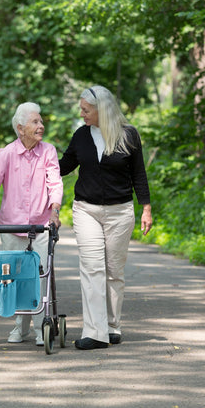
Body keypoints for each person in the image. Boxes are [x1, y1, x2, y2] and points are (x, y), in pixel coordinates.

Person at [59, 85, 152, 350]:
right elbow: (63, 167)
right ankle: (95, 332)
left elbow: (139, 174)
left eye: (86, 110)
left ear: (102, 109)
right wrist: (37, 159)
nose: (82, 113)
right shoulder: (81, 135)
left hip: (120, 212)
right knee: (92, 268)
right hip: (86, 210)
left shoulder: (128, 135)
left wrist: (146, 208)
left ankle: (112, 326)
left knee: (113, 272)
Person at [0, 102, 63, 346]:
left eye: (41, 121)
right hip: (11, 227)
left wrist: (55, 210)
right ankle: (19, 328)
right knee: (12, 277)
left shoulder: (48, 151)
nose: (41, 126)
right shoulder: (6, 154)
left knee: (38, 276)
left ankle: (40, 328)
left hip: (41, 226)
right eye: (36, 122)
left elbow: (54, 182)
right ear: (20, 128)